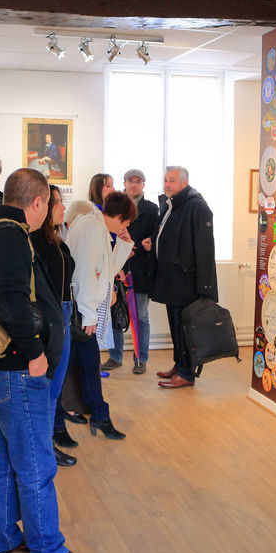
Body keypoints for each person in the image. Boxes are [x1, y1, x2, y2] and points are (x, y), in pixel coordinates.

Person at [0, 168, 95, 553]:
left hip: (0, 370)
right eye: (47, 205)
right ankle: (48, 550)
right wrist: (34, 353)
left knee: (3, 457)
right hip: (16, 368)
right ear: (38, 202)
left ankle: (4, 538)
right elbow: (10, 303)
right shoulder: (10, 236)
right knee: (36, 464)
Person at [63, 192, 135, 440]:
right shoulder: (93, 228)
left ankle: (99, 417)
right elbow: (83, 272)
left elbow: (105, 272)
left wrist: (125, 244)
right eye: (125, 222)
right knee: (70, 370)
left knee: (86, 366)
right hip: (80, 312)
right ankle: (64, 426)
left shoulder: (98, 226)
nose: (125, 227)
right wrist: (89, 314)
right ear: (118, 215)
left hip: (83, 311)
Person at [151, 166, 218, 389]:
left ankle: (187, 373)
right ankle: (179, 364)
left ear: (184, 183)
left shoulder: (196, 207)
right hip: (173, 279)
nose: (167, 184)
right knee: (176, 326)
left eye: (172, 180)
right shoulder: (174, 205)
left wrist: (205, 287)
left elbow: (205, 248)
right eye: (165, 180)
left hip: (186, 282)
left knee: (186, 328)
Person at [29, 185, 77, 467]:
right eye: (57, 203)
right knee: (48, 390)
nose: (62, 208)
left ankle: (45, 446)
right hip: (53, 317)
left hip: (62, 314)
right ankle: (44, 449)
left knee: (53, 390)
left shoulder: (54, 238)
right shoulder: (36, 241)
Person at [103, 169, 159, 374]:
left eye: (138, 181)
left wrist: (140, 246)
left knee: (141, 316)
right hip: (116, 267)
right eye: (130, 180)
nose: (134, 184)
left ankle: (141, 358)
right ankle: (115, 355)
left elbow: (155, 237)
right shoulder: (116, 206)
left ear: (143, 184)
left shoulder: (152, 210)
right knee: (115, 311)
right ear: (124, 183)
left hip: (140, 270)